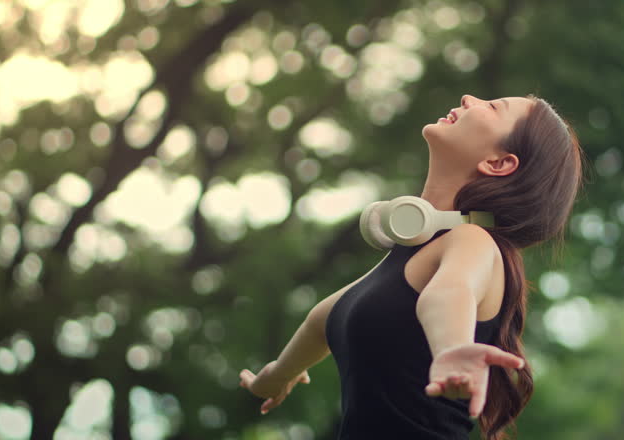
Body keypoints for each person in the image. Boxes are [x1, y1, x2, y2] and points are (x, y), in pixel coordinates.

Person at [239, 94, 584, 439]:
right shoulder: (410, 255)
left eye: (493, 107)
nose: (468, 97)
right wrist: (276, 376)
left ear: (498, 163)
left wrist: (451, 351)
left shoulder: (473, 241)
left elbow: (448, 294)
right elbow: (323, 321)